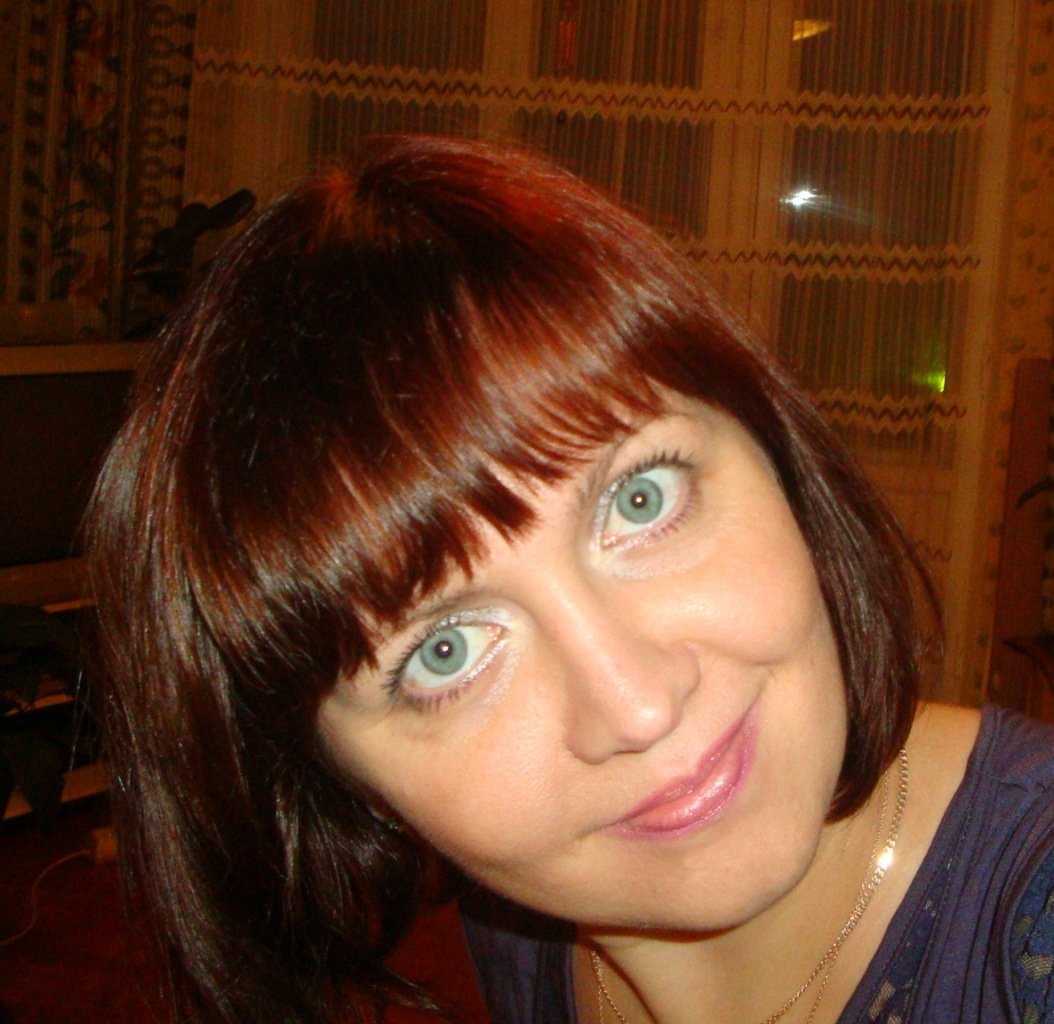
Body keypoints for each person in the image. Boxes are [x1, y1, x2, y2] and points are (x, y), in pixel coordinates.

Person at [86, 135, 1054, 1024]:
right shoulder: (519, 928)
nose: (636, 707)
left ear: (778, 456)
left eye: (640, 499)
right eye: (444, 651)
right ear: (340, 789)